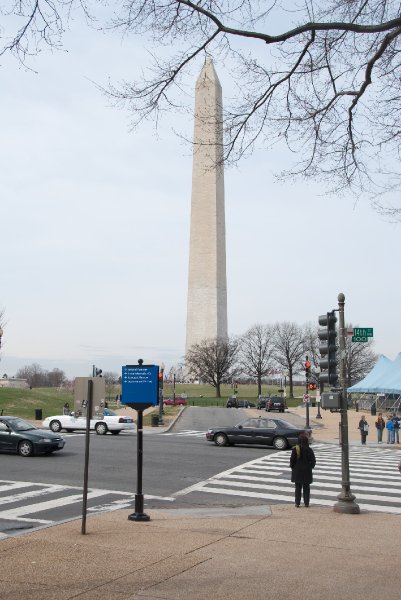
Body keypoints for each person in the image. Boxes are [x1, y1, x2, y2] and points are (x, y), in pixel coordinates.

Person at [290, 434, 316, 508]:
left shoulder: (295, 449)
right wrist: (310, 467)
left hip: (297, 471)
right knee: (306, 488)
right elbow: (313, 461)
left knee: (298, 488)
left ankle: (297, 503)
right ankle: (306, 503)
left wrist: (293, 468)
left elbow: (292, 461)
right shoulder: (309, 450)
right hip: (307, 471)